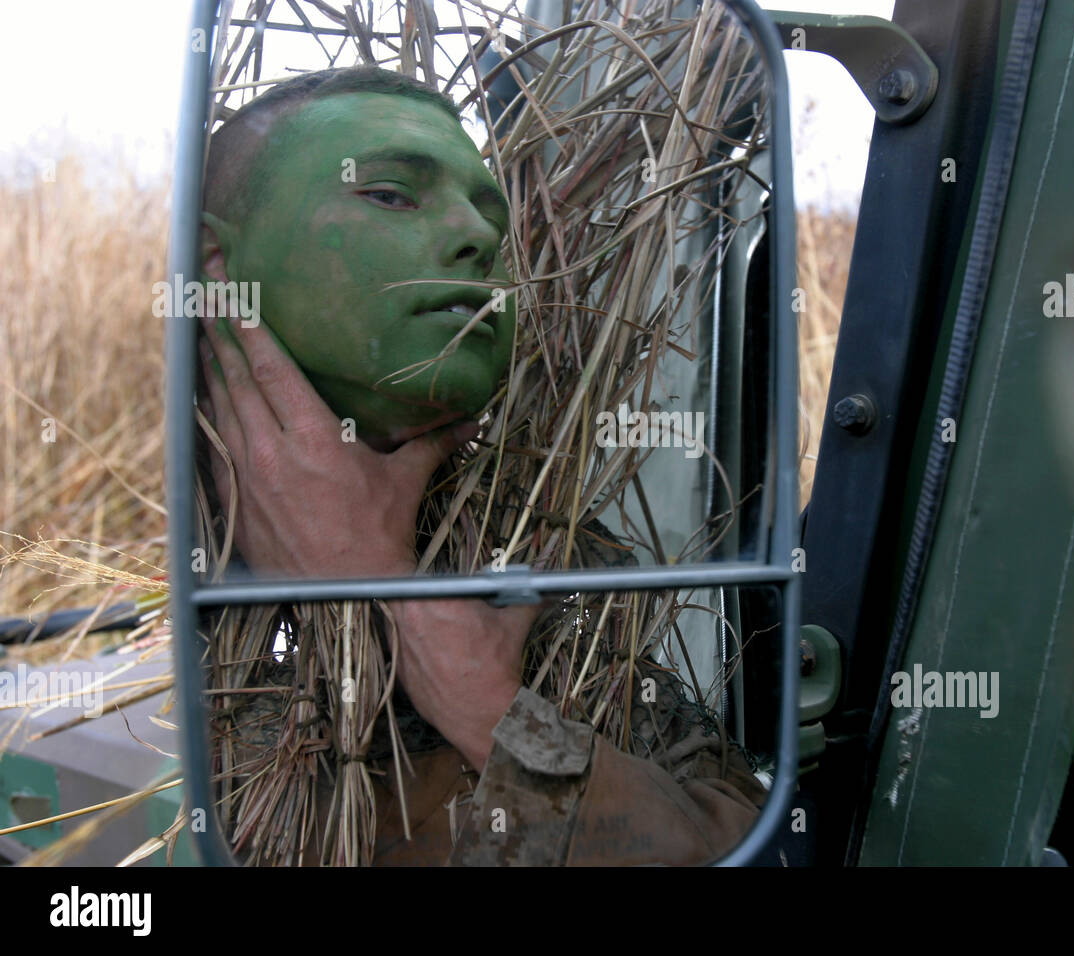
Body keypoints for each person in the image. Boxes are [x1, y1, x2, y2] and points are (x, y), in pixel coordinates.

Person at [196, 67, 765, 865]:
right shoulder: (130, 557)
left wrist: (478, 696)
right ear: (214, 266)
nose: (478, 237)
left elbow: (742, 848)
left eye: (489, 215)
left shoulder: (552, 558)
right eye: (390, 195)